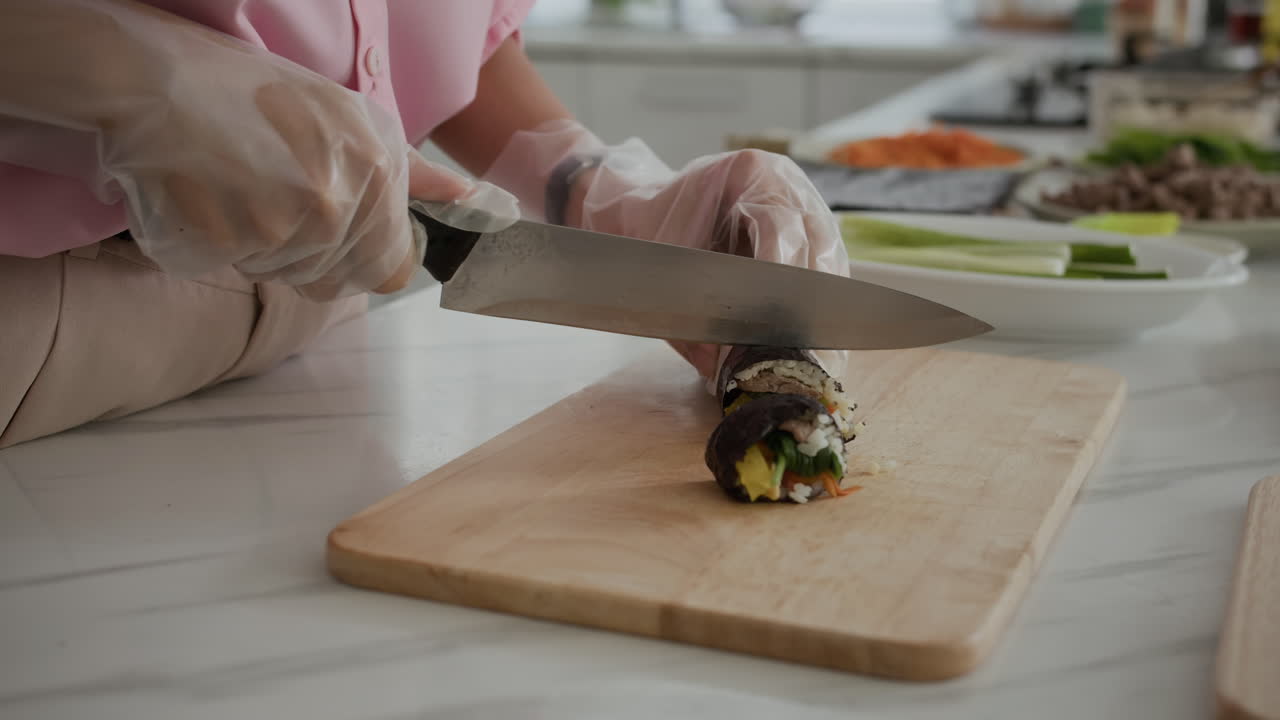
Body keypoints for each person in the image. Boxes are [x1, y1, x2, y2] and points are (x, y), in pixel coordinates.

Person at [0, 0, 849, 448]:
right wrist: (110, 71)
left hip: (317, 338)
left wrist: (588, 185)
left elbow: (452, 32)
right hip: (32, 334)